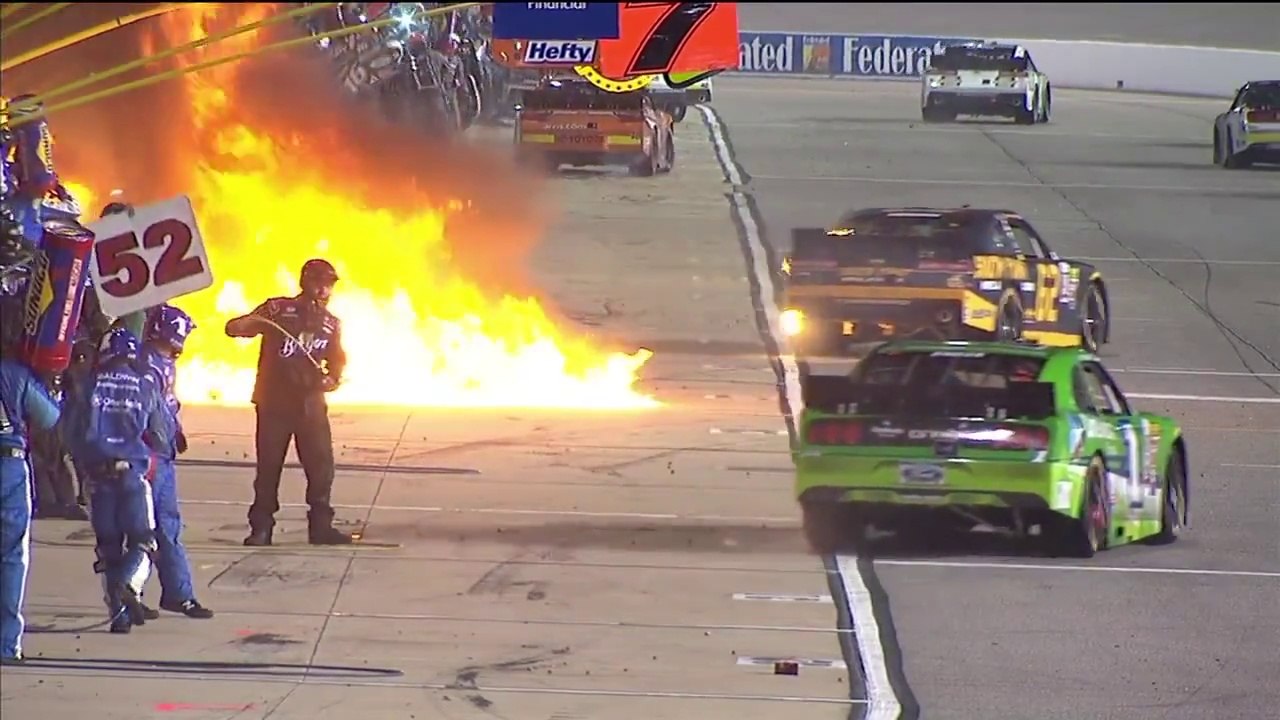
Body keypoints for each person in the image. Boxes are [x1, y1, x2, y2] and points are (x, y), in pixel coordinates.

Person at [225, 259, 351, 546]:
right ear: (306, 282)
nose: (324, 289)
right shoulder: (278, 309)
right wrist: (249, 323)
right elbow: (236, 328)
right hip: (274, 403)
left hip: (310, 405)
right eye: (319, 282)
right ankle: (261, 528)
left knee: (321, 468)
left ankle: (321, 527)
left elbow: (337, 360)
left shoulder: (331, 324)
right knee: (269, 468)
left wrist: (333, 378)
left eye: (329, 284)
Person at [82, 326, 167, 634]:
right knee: (144, 540)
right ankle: (130, 584)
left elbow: (69, 428)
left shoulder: (89, 382)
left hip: (97, 478)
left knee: (109, 548)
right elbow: (159, 433)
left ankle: (118, 618)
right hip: (131, 473)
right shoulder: (147, 382)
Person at [138, 304, 213, 619]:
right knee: (139, 529)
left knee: (168, 526)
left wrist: (176, 430)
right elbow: (146, 412)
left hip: (162, 455)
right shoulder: (144, 365)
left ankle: (178, 594)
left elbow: (167, 405)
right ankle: (127, 598)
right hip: (147, 457)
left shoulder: (165, 364)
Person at [0, 351, 61, 663]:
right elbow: (50, 417)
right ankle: (6, 645)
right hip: (8, 465)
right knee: (11, 557)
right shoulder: (14, 372)